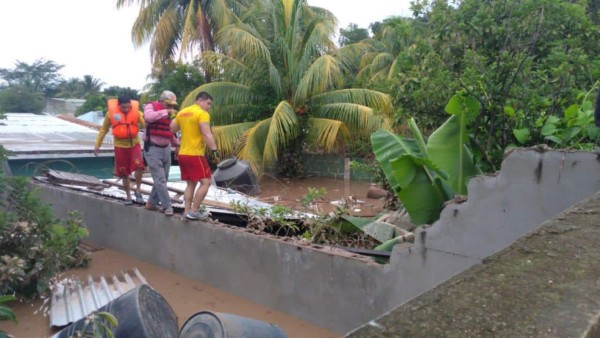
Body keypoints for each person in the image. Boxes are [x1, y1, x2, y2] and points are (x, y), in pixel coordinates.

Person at [170, 91, 220, 220]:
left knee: (190, 184)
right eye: (208, 103)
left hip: (183, 154)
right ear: (200, 100)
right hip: (195, 154)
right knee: (206, 182)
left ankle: (187, 212)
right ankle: (195, 211)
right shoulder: (202, 113)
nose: (209, 107)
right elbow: (206, 133)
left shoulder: (182, 112)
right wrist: (215, 151)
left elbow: (172, 129)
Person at [94, 96, 145, 205]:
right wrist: (97, 144)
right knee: (124, 172)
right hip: (120, 146)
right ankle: (128, 196)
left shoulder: (137, 113)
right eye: (123, 107)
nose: (126, 109)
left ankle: (138, 190)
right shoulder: (110, 114)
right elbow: (104, 129)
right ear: (118, 106)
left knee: (139, 167)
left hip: (134, 144)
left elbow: (145, 125)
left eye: (128, 107)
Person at [143, 90, 180, 216]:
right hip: (153, 148)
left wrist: (177, 144)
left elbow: (170, 130)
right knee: (160, 179)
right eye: (168, 105)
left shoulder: (170, 114)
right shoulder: (151, 107)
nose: (171, 108)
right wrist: (166, 112)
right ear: (162, 101)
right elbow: (148, 117)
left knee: (164, 178)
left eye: (172, 106)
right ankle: (167, 206)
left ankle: (151, 203)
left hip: (166, 148)